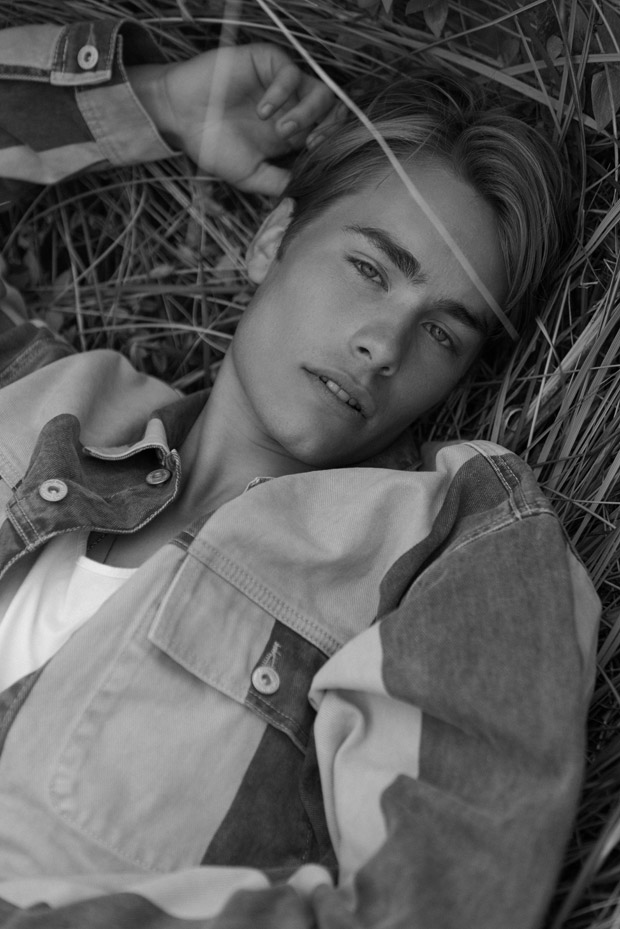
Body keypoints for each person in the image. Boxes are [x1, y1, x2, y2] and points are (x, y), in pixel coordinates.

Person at [0, 15, 600, 929]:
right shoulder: (43, 396)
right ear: (272, 240)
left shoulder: (448, 543)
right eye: (369, 267)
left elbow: (431, 905)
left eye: (443, 332)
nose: (384, 343)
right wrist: (153, 103)